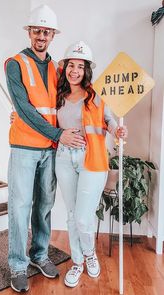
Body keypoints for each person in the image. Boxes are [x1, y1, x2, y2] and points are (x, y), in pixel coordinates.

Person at [4, 5, 85, 293]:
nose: (41, 35)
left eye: (46, 31)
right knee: (20, 206)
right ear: (30, 32)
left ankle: (39, 255)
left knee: (45, 206)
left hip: (51, 149)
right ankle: (17, 264)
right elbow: (24, 110)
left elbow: (75, 96)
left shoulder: (58, 68)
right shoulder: (15, 63)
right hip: (25, 147)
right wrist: (59, 134)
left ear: (52, 35)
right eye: (37, 30)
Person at [55, 41, 128, 288]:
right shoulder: (58, 95)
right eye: (71, 65)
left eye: (80, 66)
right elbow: (44, 119)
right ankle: (77, 263)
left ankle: (90, 255)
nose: (75, 71)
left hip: (92, 160)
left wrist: (118, 130)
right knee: (73, 215)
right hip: (64, 159)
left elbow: (109, 121)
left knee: (84, 219)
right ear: (64, 67)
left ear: (87, 70)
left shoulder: (96, 95)